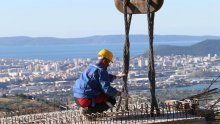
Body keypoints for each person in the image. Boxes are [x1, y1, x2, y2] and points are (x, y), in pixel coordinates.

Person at [73, 49, 127, 115]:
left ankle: (93, 113)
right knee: (111, 100)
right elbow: (107, 89)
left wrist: (116, 77)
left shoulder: (91, 66)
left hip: (77, 98)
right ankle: (89, 112)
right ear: (104, 60)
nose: (108, 64)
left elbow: (100, 77)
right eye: (108, 62)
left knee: (102, 94)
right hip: (84, 100)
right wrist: (120, 93)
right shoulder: (101, 70)